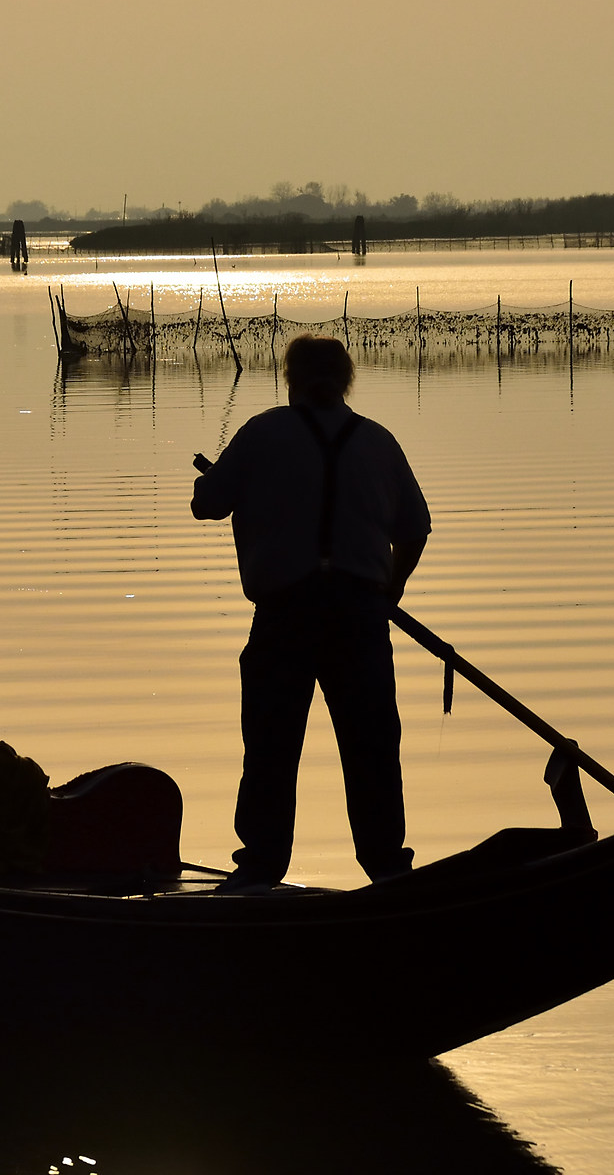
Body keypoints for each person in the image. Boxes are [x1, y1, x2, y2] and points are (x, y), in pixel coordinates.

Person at [191, 334, 430, 890]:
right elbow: (415, 530)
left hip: (284, 616)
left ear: (291, 379)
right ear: (347, 379)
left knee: (272, 745)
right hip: (360, 618)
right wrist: (390, 592)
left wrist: (212, 480)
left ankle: (260, 869)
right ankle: (388, 870)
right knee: (371, 746)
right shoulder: (378, 442)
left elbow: (207, 505)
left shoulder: (261, 433)